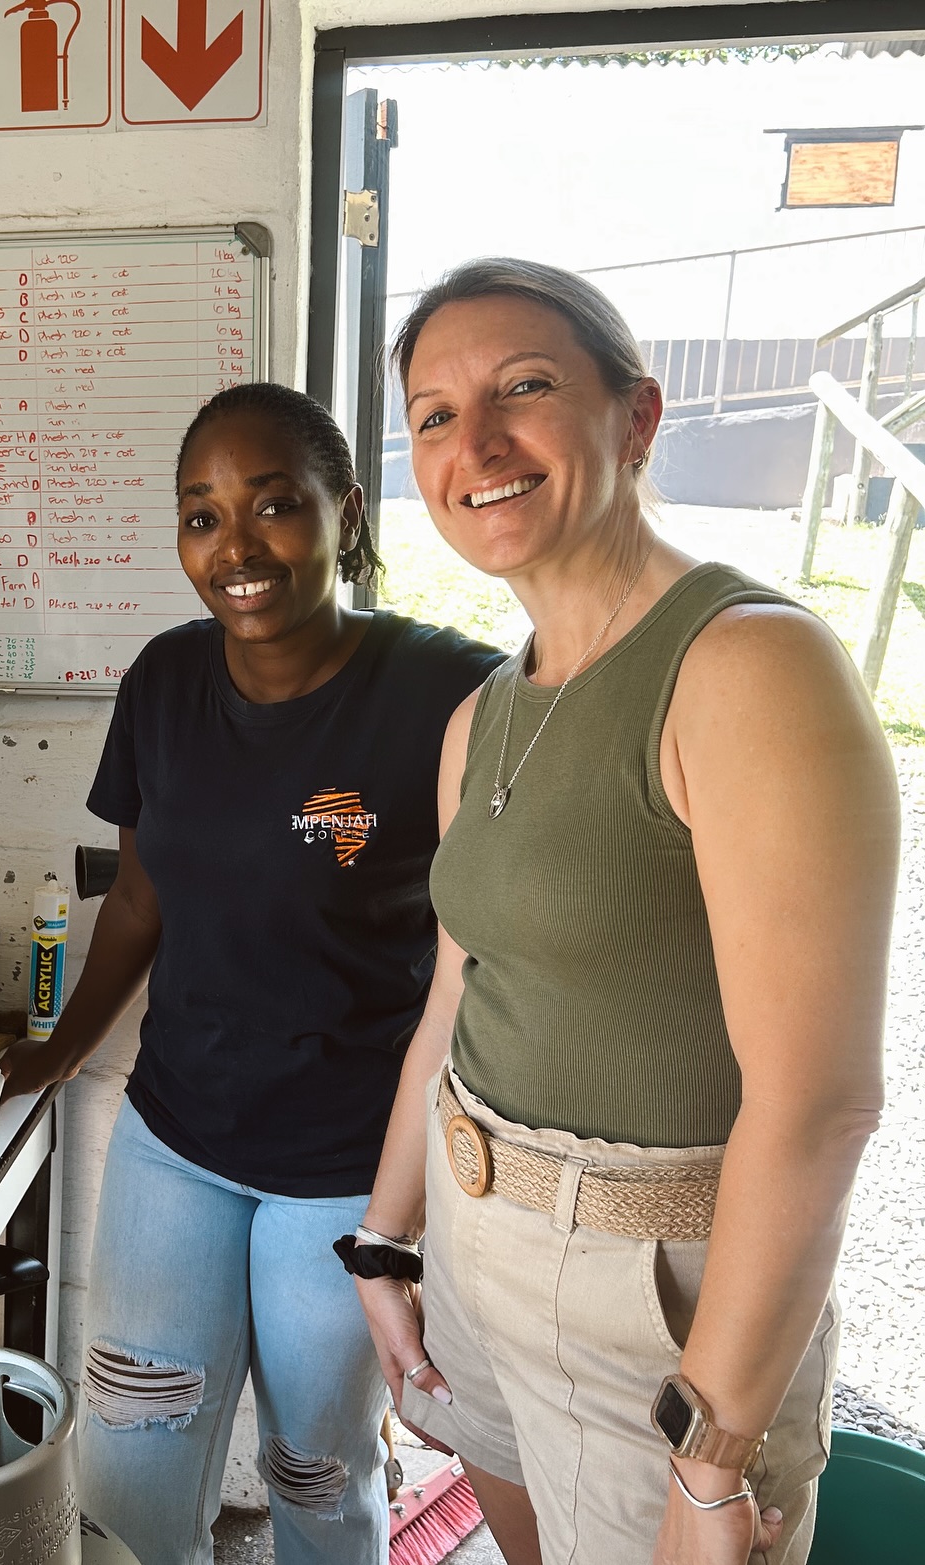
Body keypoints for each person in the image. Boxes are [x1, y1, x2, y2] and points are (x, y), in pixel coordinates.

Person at [354, 257, 900, 1565]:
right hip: (475, 1250)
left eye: (522, 389)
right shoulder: (483, 714)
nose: (473, 441)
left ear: (637, 417)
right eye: (433, 413)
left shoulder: (748, 665)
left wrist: (713, 1457)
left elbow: (819, 1105)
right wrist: (387, 1239)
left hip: (652, 1302)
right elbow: (452, 999)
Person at [1, 381, 501, 1564]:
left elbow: (495, 939)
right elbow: (138, 895)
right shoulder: (166, 684)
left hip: (347, 1169)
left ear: (347, 514)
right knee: (129, 1448)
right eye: (202, 515)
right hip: (178, 1137)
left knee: (316, 1471)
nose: (237, 545)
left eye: (275, 505)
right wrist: (62, 1049)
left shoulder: (448, 693)